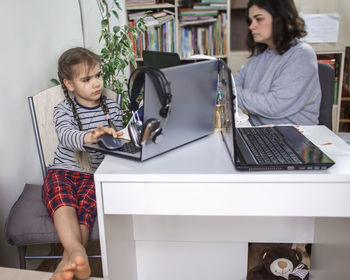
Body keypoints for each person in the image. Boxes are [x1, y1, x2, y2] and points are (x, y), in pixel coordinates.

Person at [42, 47, 123, 280]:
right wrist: (89, 137)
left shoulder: (112, 108)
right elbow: (66, 135)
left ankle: (66, 265)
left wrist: (115, 138)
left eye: (98, 75)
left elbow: (117, 144)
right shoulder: (63, 109)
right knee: (64, 202)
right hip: (63, 172)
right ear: (69, 84)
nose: (96, 83)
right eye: (86, 79)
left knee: (85, 211)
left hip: (93, 176)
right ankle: (78, 252)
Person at [234, 0, 321, 126]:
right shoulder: (261, 53)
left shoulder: (302, 54)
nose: (251, 26)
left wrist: (233, 94)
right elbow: (234, 83)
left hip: (295, 136)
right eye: (251, 21)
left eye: (259, 19)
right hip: (261, 133)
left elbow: (273, 105)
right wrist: (232, 91)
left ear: (279, 18)